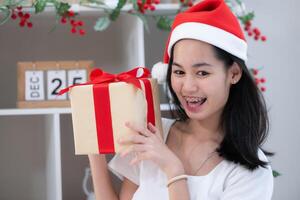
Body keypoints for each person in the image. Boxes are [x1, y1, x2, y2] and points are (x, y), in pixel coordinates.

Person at [88, 0, 274, 199]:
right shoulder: (153, 133)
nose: (187, 87)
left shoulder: (250, 170)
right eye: (179, 72)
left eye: (202, 73)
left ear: (234, 73)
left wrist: (174, 169)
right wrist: (93, 148)